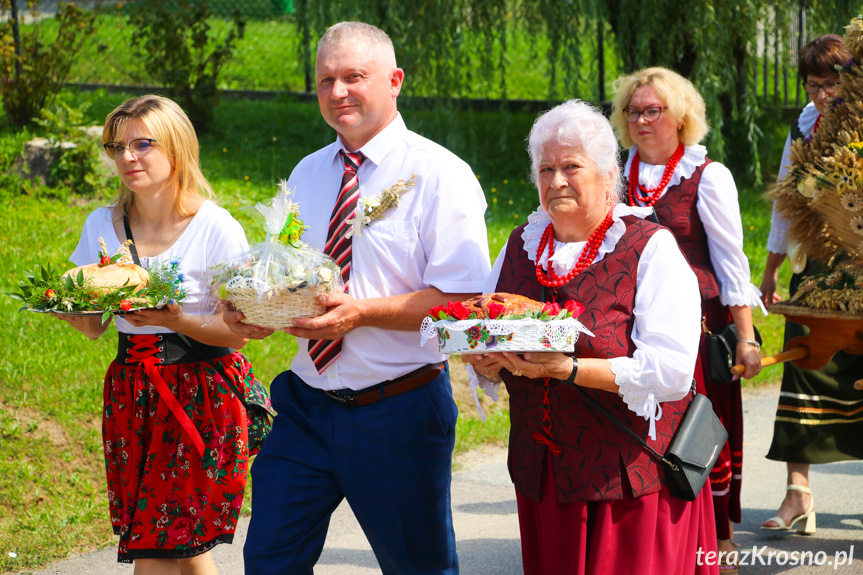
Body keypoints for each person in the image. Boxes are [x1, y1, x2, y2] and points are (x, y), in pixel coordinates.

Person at [226, 22, 491, 574]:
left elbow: (463, 301)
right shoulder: (307, 172)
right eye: (326, 80)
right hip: (305, 403)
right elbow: (289, 273)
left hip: (396, 409)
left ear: (394, 81)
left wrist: (362, 314)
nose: (338, 92)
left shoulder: (442, 174)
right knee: (269, 560)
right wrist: (252, 305)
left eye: (354, 77)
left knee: (419, 567)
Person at [465, 100, 718, 575]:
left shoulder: (649, 246)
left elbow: (671, 373)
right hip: (542, 477)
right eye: (545, 168)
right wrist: (486, 361)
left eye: (571, 167)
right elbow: (488, 330)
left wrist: (570, 369)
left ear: (607, 176)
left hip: (625, 484)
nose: (556, 180)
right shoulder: (520, 245)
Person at [55, 95, 261, 573]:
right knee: (180, 547)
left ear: (177, 146)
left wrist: (175, 320)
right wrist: (64, 306)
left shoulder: (215, 226)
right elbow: (92, 328)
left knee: (156, 547)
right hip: (132, 393)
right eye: (117, 146)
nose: (127, 157)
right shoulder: (102, 223)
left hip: (199, 394)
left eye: (142, 144)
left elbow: (239, 334)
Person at [610, 67, 764, 567]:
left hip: (696, 329)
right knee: (645, 434)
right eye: (634, 111)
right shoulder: (612, 173)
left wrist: (745, 338)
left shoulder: (707, 175)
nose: (641, 120)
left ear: (680, 117)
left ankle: (716, 539)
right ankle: (657, 538)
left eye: (652, 110)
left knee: (696, 433)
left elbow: (730, 261)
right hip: (631, 325)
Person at [759, 34, 861, 535]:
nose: (823, 94)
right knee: (803, 363)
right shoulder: (803, 128)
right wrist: (771, 268)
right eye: (814, 84)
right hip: (816, 267)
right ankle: (797, 493)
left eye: (832, 83)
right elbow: (785, 203)